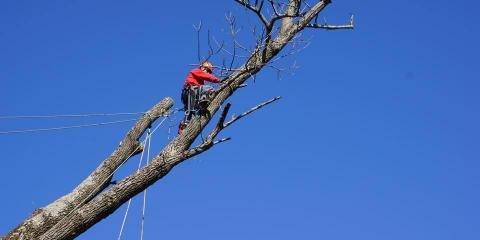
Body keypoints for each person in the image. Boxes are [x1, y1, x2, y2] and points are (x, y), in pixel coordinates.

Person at [179, 61, 220, 133]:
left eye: (209, 71)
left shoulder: (200, 81)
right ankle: (203, 101)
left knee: (190, 113)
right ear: (202, 67)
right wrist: (218, 80)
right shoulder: (196, 71)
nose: (207, 72)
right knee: (208, 88)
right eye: (206, 70)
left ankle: (183, 127)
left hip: (191, 96)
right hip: (190, 91)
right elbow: (207, 77)